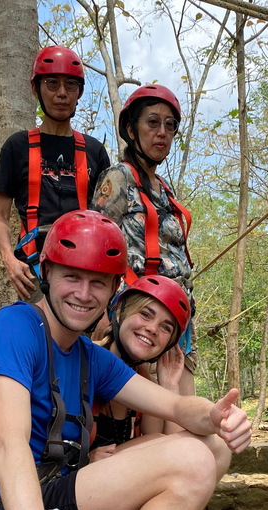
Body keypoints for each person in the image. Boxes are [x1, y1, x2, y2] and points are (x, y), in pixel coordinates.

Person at [0, 210, 252, 510]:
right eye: (72, 276)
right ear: (47, 273)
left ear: (112, 289)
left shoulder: (89, 356)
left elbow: (174, 407)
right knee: (192, 460)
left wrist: (215, 416)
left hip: (57, 487)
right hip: (2, 502)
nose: (83, 294)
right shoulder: (14, 329)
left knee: (209, 447)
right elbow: (9, 445)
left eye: (98, 282)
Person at [91, 84, 198, 395]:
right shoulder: (118, 178)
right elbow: (99, 246)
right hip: (138, 317)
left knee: (184, 411)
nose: (162, 132)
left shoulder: (166, 189)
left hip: (176, 318)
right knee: (148, 416)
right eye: (152, 122)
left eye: (170, 124)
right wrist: (103, 312)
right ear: (131, 129)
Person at [0, 45, 111, 302]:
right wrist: (9, 261)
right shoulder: (18, 147)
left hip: (85, 270)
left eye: (70, 86)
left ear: (79, 93)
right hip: (34, 270)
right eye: (52, 83)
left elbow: (108, 221)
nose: (61, 94)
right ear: (36, 89)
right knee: (38, 337)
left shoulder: (94, 151)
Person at [90, 275, 222, 456]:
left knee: (217, 447)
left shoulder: (144, 381)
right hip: (71, 475)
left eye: (165, 327)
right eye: (145, 314)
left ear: (168, 344)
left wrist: (169, 386)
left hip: (114, 474)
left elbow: (175, 452)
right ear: (120, 313)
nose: (152, 329)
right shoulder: (86, 357)